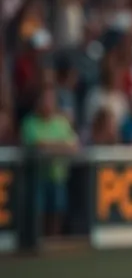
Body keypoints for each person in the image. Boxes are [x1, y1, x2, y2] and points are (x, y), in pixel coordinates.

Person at [20, 86, 79, 238]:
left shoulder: (61, 122)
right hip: (37, 177)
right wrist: (60, 146)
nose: (48, 103)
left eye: (51, 100)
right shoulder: (30, 122)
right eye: (45, 99)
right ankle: (37, 240)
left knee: (57, 210)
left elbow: (73, 145)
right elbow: (37, 144)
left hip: (58, 176)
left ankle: (54, 240)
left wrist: (51, 146)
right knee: (38, 211)